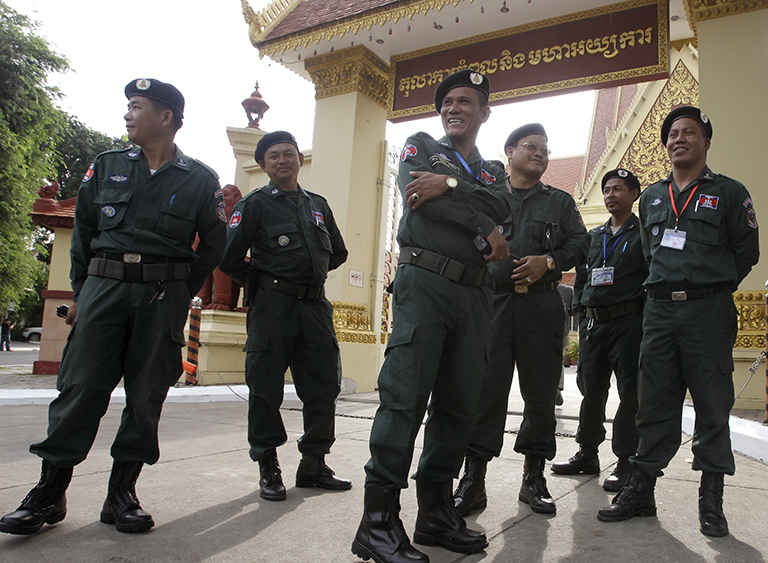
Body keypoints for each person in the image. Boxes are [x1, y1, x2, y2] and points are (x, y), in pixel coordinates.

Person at [0, 79, 225, 535]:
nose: (127, 114)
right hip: (104, 288)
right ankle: (49, 492)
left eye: (135, 107)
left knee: (145, 395)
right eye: (127, 106)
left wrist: (178, 289)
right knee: (80, 388)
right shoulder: (106, 167)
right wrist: (84, 292)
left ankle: (121, 494)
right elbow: (81, 234)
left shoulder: (200, 179)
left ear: (166, 117)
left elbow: (215, 245)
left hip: (162, 296)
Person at [352, 69, 510, 563]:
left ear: (484, 111)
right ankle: (376, 521)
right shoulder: (419, 144)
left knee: (460, 404)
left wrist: (451, 186)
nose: (453, 108)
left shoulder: (495, 170)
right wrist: (478, 217)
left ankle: (435, 512)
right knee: (405, 396)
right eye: (447, 102)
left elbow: (505, 206)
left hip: (474, 293)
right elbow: (422, 202)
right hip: (425, 283)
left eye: (465, 101)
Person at [598, 107, 759, 538]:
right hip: (660, 311)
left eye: (689, 132)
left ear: (706, 141)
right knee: (653, 402)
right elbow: (651, 257)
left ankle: (711, 500)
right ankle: (642, 491)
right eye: (672, 133)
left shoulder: (728, 192)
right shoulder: (651, 196)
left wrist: (708, 282)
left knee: (712, 403)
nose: (679, 139)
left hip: (708, 310)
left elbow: (746, 251)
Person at [453, 123, 588, 516]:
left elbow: (580, 244)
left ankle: (534, 478)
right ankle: (473, 479)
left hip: (541, 308)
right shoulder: (487, 197)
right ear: (509, 151)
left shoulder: (559, 203)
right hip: (491, 306)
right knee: (484, 392)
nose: (541, 153)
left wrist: (547, 261)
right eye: (531, 146)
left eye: (546, 149)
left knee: (542, 394)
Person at [219, 131, 351, 502]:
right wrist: (263, 281)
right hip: (272, 308)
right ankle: (268, 466)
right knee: (265, 389)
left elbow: (337, 253)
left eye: (288, 153)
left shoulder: (318, 204)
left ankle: (313, 464)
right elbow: (229, 258)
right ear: (263, 165)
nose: (282, 160)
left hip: (315, 308)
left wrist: (310, 271)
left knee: (325, 385)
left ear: (299, 159)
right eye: (274, 155)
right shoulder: (254, 204)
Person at [551, 168, 646, 493]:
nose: (610, 195)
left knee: (629, 394)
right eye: (606, 190)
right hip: (594, 324)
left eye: (618, 189)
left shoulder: (643, 235)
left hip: (629, 323)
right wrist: (579, 310)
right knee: (591, 391)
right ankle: (587, 453)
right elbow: (580, 279)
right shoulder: (594, 237)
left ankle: (625, 460)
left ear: (634, 194)